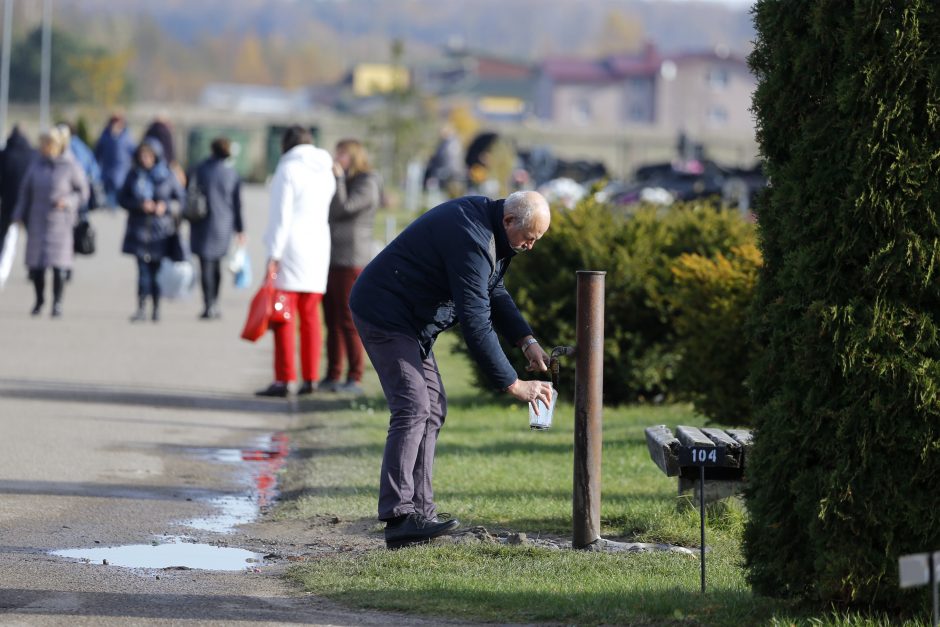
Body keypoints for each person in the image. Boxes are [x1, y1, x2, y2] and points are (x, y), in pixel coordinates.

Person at [349, 190, 554, 548]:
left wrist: (526, 340)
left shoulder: (492, 229)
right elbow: (476, 321)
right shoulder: (472, 236)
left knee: (433, 407)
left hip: (411, 321)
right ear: (509, 221)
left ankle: (421, 514)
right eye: (528, 239)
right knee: (413, 405)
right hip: (384, 312)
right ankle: (399, 517)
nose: (530, 247)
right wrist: (512, 383)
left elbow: (494, 291)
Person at [256, 125, 336, 397]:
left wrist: (273, 255)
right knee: (312, 317)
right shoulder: (325, 170)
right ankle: (311, 377)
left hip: (291, 247)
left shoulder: (287, 169)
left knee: (283, 315)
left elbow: (281, 217)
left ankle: (284, 378)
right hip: (319, 246)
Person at [320, 139, 381, 395]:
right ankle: (333, 374)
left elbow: (343, 208)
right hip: (331, 257)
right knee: (331, 320)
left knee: (348, 321)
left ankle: (354, 377)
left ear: (353, 156)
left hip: (352, 259)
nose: (337, 158)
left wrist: (339, 180)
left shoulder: (366, 182)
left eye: (342, 154)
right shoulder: (345, 180)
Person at [11, 127, 89, 318]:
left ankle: (57, 303)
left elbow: (83, 192)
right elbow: (25, 191)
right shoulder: (36, 165)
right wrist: (18, 215)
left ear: (56, 146)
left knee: (59, 265)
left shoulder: (70, 166)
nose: (42, 147)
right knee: (36, 265)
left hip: (60, 221)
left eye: (46, 144)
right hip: (37, 219)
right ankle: (39, 301)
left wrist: (68, 202)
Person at [118, 139, 185, 323]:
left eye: (148, 155)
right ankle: (141, 308)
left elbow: (181, 201)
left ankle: (156, 309)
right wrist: (139, 205)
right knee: (142, 273)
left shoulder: (167, 175)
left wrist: (166, 207)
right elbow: (122, 199)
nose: (145, 159)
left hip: (161, 232)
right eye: (142, 155)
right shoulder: (134, 175)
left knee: (156, 274)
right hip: (138, 231)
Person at [189, 137, 245, 320]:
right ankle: (215, 303)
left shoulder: (200, 169)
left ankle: (208, 304)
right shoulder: (231, 174)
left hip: (202, 222)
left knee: (205, 264)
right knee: (217, 265)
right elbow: (237, 205)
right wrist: (240, 229)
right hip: (223, 224)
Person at [0, 126, 38, 257]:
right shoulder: (33, 154)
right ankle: (36, 266)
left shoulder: (4, 154)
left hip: (8, 201)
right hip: (29, 202)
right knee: (33, 236)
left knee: (3, 236)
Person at [94, 113, 135, 209]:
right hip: (107, 171)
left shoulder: (127, 138)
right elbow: (97, 153)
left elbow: (134, 152)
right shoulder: (105, 137)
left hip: (122, 172)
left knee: (119, 193)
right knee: (108, 194)